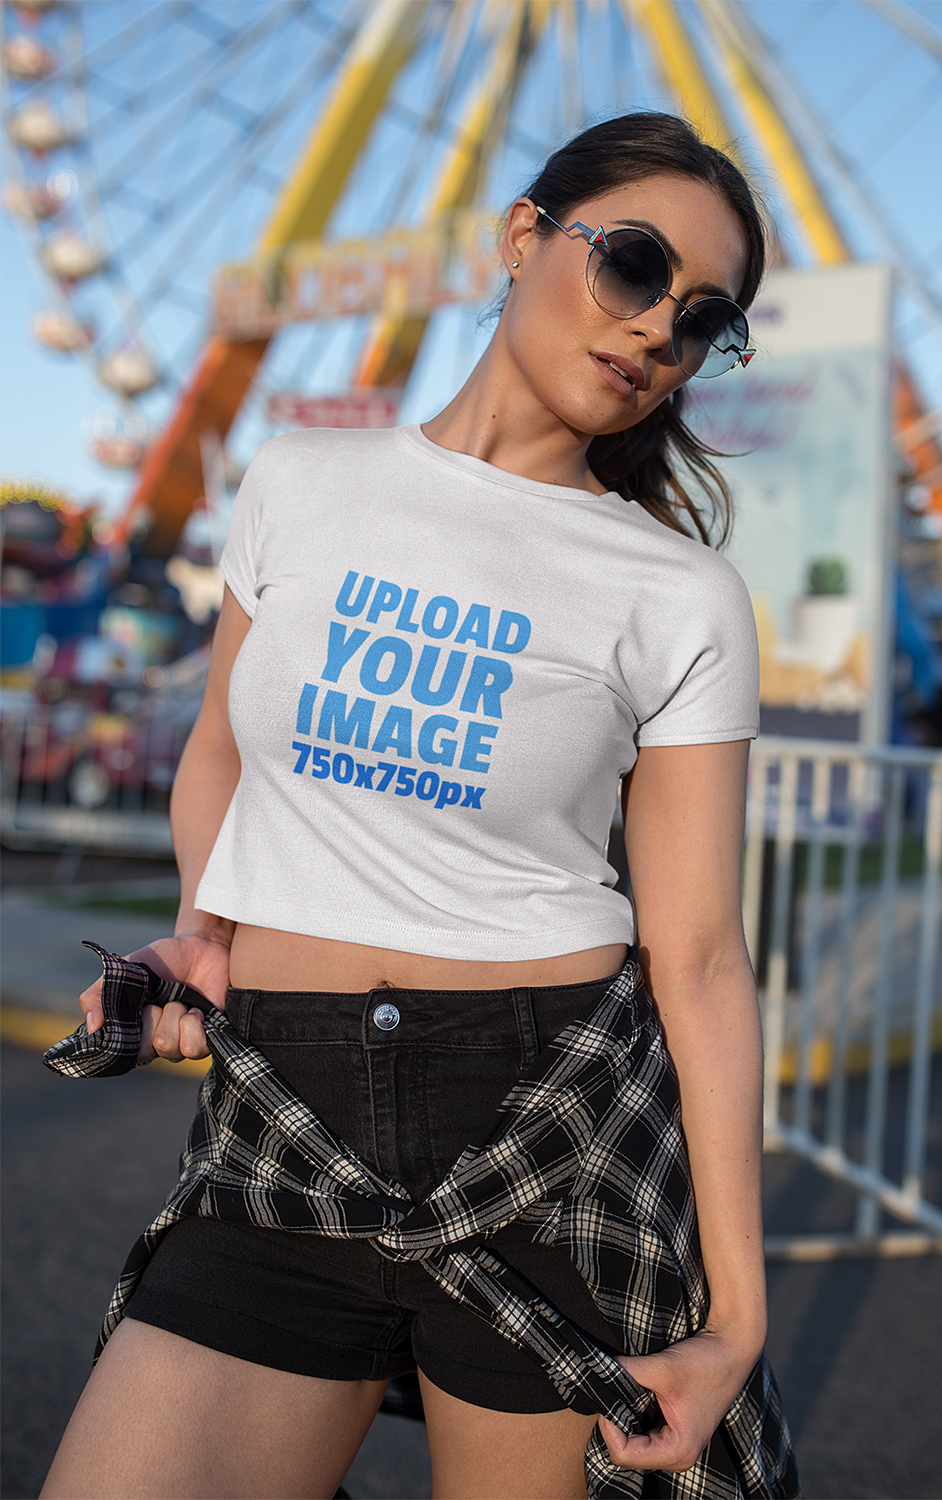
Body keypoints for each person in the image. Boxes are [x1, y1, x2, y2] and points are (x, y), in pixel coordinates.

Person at [42, 112, 796, 1500]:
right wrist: (206, 928)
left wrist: (734, 1322)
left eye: (703, 320)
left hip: (546, 1124)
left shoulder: (677, 591)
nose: (655, 333)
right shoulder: (300, 482)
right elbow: (220, 751)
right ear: (521, 237)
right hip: (284, 1104)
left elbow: (695, 956)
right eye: (631, 266)